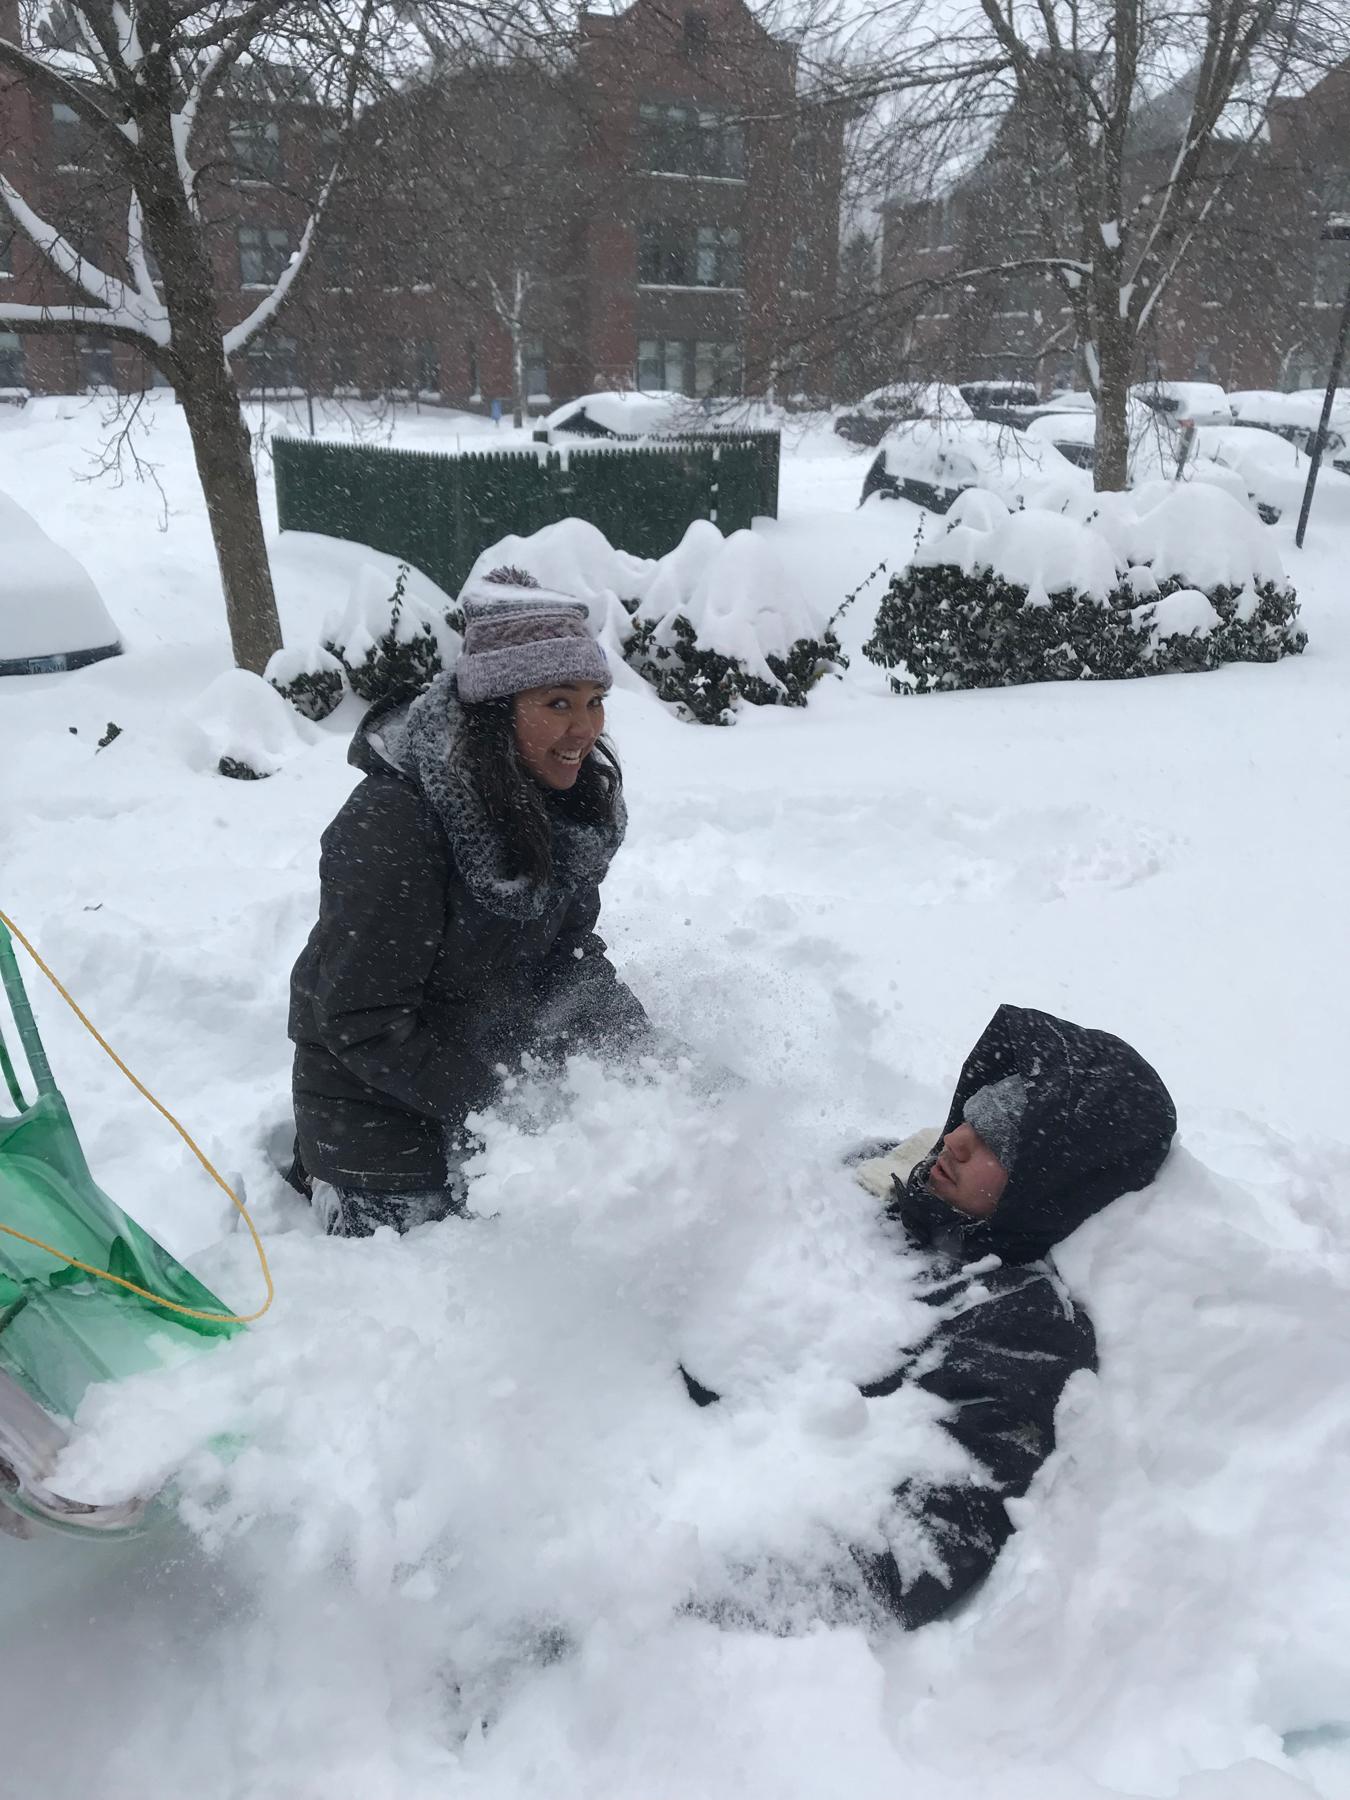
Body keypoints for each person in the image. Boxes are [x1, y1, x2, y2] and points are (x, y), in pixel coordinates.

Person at [682, 1003, 1177, 1629]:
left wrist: (693, 1602)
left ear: (1047, 1181)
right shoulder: (878, 1171)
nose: (958, 1140)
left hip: (701, 1538)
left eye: (997, 1141)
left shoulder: (1016, 1323)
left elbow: (932, 1533)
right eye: (972, 1115)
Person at [288, 572, 651, 1237]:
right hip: (375, 1121)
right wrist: (509, 1106)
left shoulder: (563, 805)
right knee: (474, 1272)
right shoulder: (395, 823)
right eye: (558, 703)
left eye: (595, 701)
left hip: (482, 1073)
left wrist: (641, 1059)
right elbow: (363, 1021)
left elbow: (569, 959)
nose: (585, 730)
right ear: (496, 709)